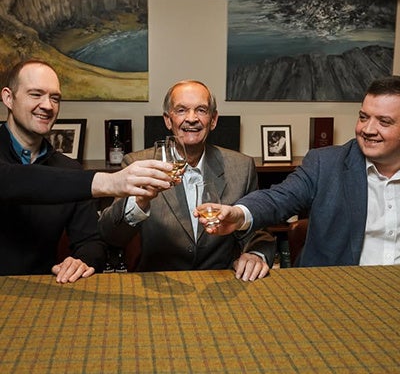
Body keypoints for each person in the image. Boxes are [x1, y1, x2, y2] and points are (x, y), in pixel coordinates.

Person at [196, 75, 400, 267]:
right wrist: (239, 214)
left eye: (384, 122)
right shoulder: (325, 163)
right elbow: (278, 198)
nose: (368, 129)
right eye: (363, 117)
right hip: (338, 286)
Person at [0, 59, 173, 282]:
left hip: (43, 291)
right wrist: (109, 182)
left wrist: (82, 260)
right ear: (8, 98)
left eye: (55, 98)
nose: (48, 106)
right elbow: (13, 180)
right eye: (36, 94)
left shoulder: (68, 169)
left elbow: (92, 242)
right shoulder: (73, 178)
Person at [99, 80, 276, 281]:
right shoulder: (137, 165)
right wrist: (139, 201)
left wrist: (255, 254)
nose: (192, 119)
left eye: (201, 110)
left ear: (213, 120)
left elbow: (258, 231)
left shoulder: (241, 167)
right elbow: (111, 236)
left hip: (221, 284)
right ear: (168, 120)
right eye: (181, 110)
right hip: (159, 284)